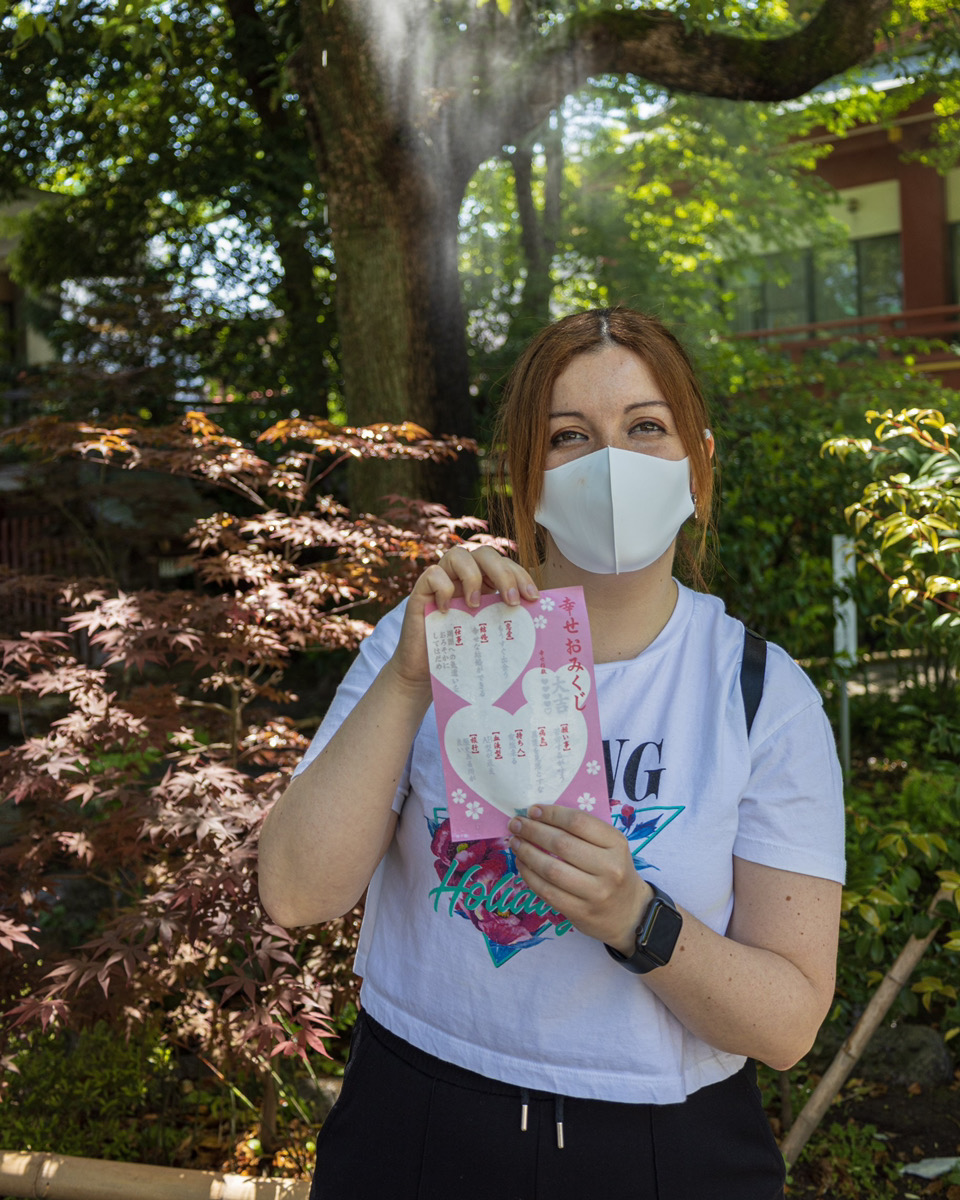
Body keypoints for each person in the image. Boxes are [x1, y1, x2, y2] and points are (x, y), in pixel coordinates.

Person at [258, 308, 846, 1200]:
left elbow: (789, 1024)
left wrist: (638, 920)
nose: (612, 464)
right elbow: (296, 893)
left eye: (646, 427)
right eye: (569, 436)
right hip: (415, 1120)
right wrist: (414, 678)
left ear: (700, 461)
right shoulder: (423, 643)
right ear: (525, 477)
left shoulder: (760, 693)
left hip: (666, 1149)